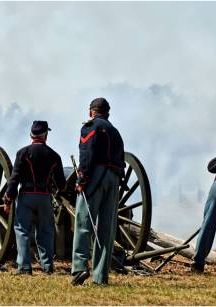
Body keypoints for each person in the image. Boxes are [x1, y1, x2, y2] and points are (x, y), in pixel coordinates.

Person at [71, 97, 125, 286]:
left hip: (96, 175)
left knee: (83, 221)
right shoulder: (115, 132)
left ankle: (79, 267)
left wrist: (81, 179)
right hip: (114, 178)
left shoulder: (90, 126)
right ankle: (101, 276)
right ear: (107, 113)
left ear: (91, 111)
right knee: (106, 228)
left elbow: (87, 153)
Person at [3, 121, 66, 275]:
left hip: (26, 195)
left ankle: (24, 267)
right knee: (46, 231)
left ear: (31, 135)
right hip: (45, 197)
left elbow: (14, 179)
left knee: (22, 230)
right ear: (45, 135)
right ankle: (47, 266)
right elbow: (61, 185)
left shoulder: (23, 153)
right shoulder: (54, 156)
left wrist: (8, 199)